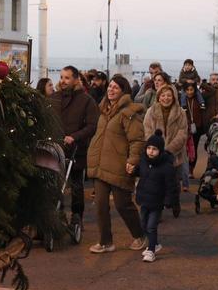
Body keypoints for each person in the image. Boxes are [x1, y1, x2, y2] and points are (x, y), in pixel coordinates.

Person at [86, 75, 147, 253]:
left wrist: (133, 160)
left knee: (123, 204)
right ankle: (105, 241)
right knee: (100, 205)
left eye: (116, 88)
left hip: (120, 164)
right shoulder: (103, 111)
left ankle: (140, 235)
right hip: (100, 164)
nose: (111, 90)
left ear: (123, 92)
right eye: (110, 86)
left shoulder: (129, 113)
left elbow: (137, 140)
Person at [50, 65, 100, 230]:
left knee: (76, 186)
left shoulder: (86, 100)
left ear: (75, 79)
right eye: (62, 77)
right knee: (55, 184)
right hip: (55, 148)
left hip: (76, 150)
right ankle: (58, 215)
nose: (63, 81)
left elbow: (92, 125)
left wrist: (75, 137)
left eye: (67, 78)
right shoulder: (54, 98)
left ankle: (77, 217)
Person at [135, 130, 179, 263]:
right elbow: (140, 173)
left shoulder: (166, 167)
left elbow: (171, 186)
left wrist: (169, 201)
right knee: (143, 224)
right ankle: (155, 244)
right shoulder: (143, 161)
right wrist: (133, 171)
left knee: (151, 226)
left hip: (157, 202)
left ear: (160, 150)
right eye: (148, 148)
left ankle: (151, 250)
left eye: (154, 149)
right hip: (144, 199)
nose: (150, 151)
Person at [144, 84, 190, 193]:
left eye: (169, 95)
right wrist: (156, 148)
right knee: (156, 181)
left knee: (173, 182)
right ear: (158, 97)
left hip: (175, 154)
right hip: (155, 154)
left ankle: (173, 203)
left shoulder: (181, 112)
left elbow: (182, 133)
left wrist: (169, 150)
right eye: (163, 95)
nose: (166, 98)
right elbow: (147, 130)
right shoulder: (151, 111)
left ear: (174, 97)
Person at [179, 79, 206, 178]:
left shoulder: (199, 99)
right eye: (187, 90)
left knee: (193, 149)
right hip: (184, 128)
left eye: (192, 90)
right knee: (184, 150)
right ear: (184, 90)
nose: (190, 92)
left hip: (196, 128)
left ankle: (191, 170)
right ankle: (183, 170)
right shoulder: (181, 100)